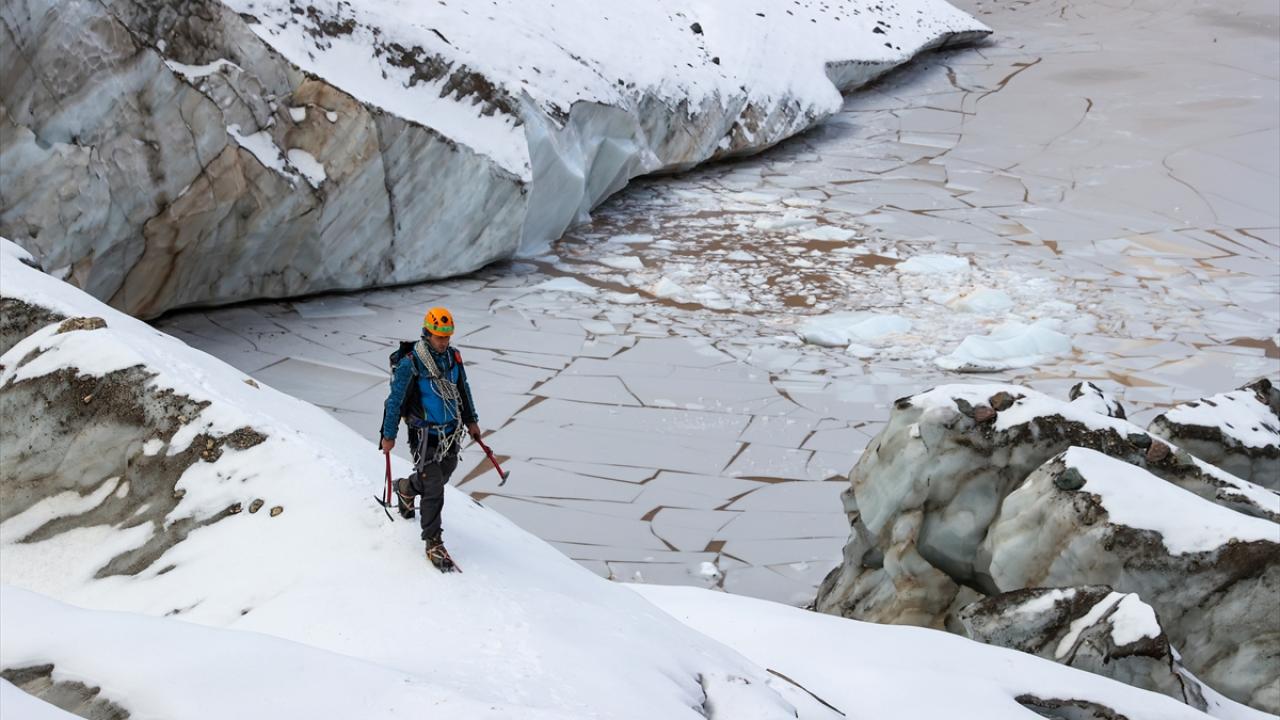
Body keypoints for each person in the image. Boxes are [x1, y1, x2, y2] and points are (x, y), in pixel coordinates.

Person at [379, 306, 481, 570]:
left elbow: (463, 390)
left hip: (450, 432)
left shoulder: (453, 358)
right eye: (439, 337)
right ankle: (433, 542)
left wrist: (471, 420)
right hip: (424, 435)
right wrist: (388, 434)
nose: (444, 341)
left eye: (447, 337)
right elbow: (395, 401)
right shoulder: (410, 363)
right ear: (427, 334)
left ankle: (404, 488)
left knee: (443, 474)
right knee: (434, 486)